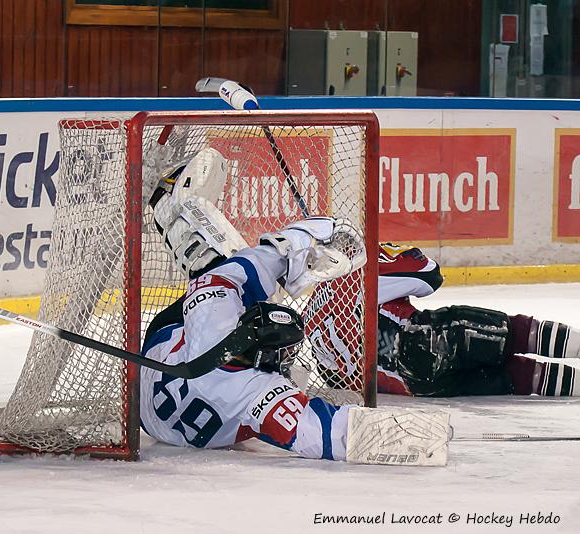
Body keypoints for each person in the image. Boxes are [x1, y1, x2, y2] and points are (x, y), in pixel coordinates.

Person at [138, 148, 450, 466]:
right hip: (151, 415)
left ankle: (174, 207)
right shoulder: (258, 391)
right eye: (284, 355)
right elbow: (333, 434)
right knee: (230, 271)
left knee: (223, 270)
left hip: (155, 362)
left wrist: (295, 246)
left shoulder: (214, 316)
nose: (288, 361)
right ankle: (173, 206)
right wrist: (422, 436)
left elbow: (234, 273)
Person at [372, 243, 580, 397]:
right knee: (520, 333)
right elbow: (428, 274)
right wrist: (387, 250)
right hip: (434, 336)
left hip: (420, 385)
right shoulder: (359, 276)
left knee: (521, 377)